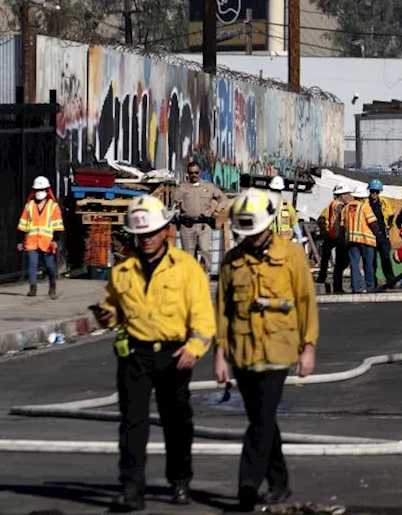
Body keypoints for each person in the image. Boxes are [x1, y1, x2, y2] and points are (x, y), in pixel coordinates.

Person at [91, 195, 215, 511]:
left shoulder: (186, 268)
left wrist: (195, 348)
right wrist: (107, 315)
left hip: (175, 355)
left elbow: (202, 315)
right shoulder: (122, 271)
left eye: (151, 233)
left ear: (165, 231)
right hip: (134, 355)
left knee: (177, 422)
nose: (146, 240)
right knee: (133, 423)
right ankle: (132, 489)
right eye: (140, 234)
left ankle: (180, 481)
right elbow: (117, 311)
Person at [214, 189, 319, 511]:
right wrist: (220, 353)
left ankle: (248, 483)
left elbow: (306, 302)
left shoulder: (291, 256)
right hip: (243, 350)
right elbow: (223, 309)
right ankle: (280, 483)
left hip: (278, 349)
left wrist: (308, 348)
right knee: (264, 420)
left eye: (254, 232)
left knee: (261, 419)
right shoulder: (233, 261)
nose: (249, 238)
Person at [172, 161, 226, 273]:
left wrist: (217, 210)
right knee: (188, 255)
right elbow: (174, 198)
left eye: (196, 172)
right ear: (187, 173)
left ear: (200, 172)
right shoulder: (183, 187)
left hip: (203, 225)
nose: (194, 175)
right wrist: (183, 186)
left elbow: (223, 199)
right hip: (187, 226)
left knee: (205, 250)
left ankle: (204, 276)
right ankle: (191, 279)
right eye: (191, 173)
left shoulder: (208, 186)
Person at [17, 176, 65, 298]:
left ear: (47, 190)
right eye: (37, 190)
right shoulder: (29, 205)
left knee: (49, 265)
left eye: (42, 189)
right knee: (32, 264)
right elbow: (22, 224)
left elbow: (58, 225)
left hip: (47, 242)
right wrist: (20, 241)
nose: (39, 192)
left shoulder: (53, 206)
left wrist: (56, 240)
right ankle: (32, 288)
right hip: (31, 241)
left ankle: (52, 285)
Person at [343, 186, 379, 292]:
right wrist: (379, 234)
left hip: (351, 240)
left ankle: (356, 287)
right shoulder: (365, 206)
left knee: (354, 264)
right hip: (366, 240)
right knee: (368, 264)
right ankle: (370, 286)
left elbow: (342, 225)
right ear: (363, 197)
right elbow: (372, 223)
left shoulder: (346, 207)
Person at [316, 185, 349, 291]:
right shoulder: (340, 206)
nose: (348, 196)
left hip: (331, 235)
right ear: (341, 195)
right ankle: (337, 287)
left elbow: (321, 218)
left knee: (325, 259)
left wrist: (324, 231)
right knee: (341, 262)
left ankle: (322, 278)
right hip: (338, 236)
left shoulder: (331, 204)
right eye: (346, 194)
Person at [366, 180, 396, 287]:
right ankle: (372, 282)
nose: (374, 193)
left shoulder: (384, 202)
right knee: (371, 260)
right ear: (369, 191)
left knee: (385, 258)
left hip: (382, 235)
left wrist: (389, 226)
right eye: (373, 191)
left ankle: (391, 281)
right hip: (370, 235)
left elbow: (390, 215)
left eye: (377, 192)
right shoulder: (365, 203)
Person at [268, 176, 303, 242]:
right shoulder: (265, 205)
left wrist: (299, 237)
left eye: (277, 191)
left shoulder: (286, 205)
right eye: (274, 190)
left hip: (285, 243)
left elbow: (294, 221)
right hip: (271, 242)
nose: (276, 192)